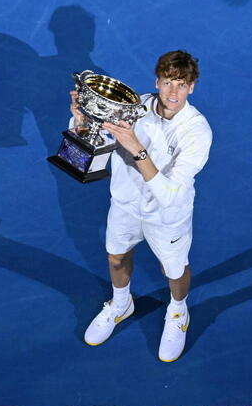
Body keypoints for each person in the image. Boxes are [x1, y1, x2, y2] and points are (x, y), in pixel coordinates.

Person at [71, 50, 212, 362]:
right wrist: (82, 123)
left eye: (181, 84)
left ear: (192, 87)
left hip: (167, 214)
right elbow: (88, 161)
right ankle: (121, 304)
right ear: (156, 82)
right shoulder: (129, 109)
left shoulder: (197, 131)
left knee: (171, 269)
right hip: (124, 205)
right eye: (167, 83)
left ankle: (178, 311)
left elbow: (168, 194)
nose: (173, 92)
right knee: (116, 258)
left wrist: (135, 147)